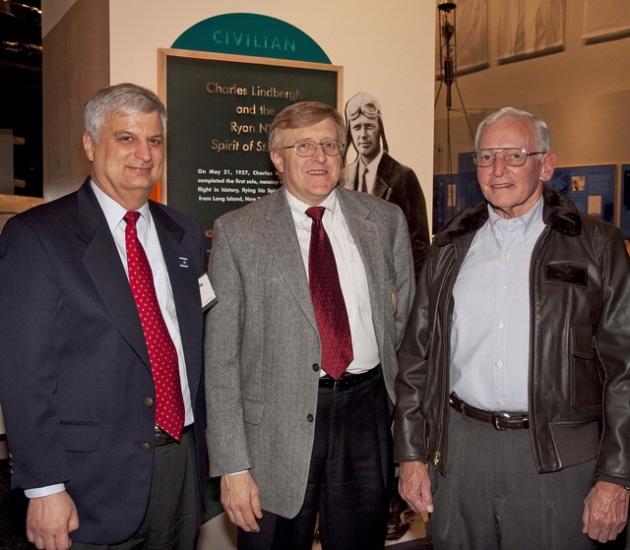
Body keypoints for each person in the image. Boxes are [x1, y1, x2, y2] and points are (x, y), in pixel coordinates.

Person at [394, 106, 630, 549]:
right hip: (459, 452)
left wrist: (616, 477)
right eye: (486, 157)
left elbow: (625, 369)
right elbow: (416, 360)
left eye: (514, 155)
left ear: (547, 164)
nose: (498, 169)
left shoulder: (597, 246)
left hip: (558, 458)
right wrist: (410, 454)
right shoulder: (449, 248)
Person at [0, 83, 210, 550]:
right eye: (126, 138)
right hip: (88, 481)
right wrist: (45, 487)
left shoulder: (185, 234)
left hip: (180, 463)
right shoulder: (37, 237)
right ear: (90, 144)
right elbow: (23, 374)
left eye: (154, 140)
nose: (143, 153)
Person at [205, 100, 415, 550]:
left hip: (366, 412)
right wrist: (233, 466)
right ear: (277, 159)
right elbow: (220, 359)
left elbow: (401, 323)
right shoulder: (237, 233)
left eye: (329, 145)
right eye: (303, 146)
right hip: (275, 426)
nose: (320, 157)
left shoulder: (384, 221)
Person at [343, 91, 430, 273]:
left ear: (380, 128)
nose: (363, 134)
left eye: (369, 126)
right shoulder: (343, 178)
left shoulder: (404, 177)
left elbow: (419, 248)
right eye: (357, 127)